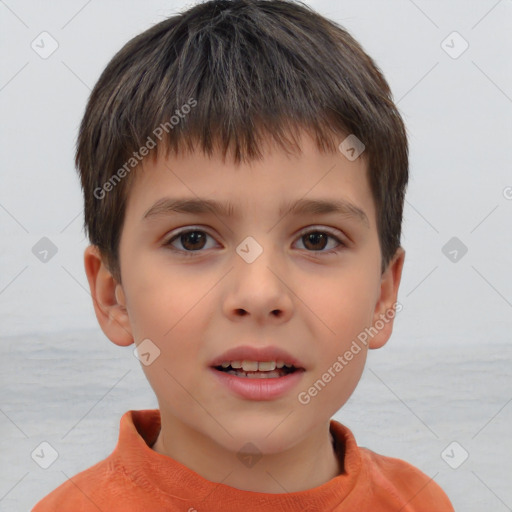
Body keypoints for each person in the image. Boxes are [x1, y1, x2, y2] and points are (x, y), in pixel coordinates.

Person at [33, 0, 454, 510]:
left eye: (317, 239)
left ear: (384, 298)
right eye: (193, 239)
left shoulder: (422, 502)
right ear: (111, 295)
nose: (259, 295)